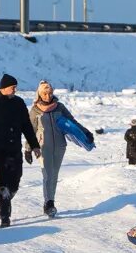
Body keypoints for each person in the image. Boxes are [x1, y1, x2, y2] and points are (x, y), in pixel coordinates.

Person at [0, 73, 41, 228]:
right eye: (13, 87)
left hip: (14, 149)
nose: (15, 90)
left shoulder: (18, 103)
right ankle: (5, 217)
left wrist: (34, 145)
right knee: (2, 184)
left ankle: (1, 202)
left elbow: (26, 126)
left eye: (16, 87)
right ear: (4, 88)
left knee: (15, 180)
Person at [26, 80, 91, 218]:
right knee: (47, 174)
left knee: (54, 175)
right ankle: (48, 203)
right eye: (45, 93)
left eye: (50, 93)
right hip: (43, 147)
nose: (48, 96)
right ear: (39, 94)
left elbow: (72, 122)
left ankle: (51, 201)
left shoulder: (59, 107)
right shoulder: (35, 110)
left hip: (60, 146)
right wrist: (28, 149)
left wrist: (85, 132)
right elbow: (30, 130)